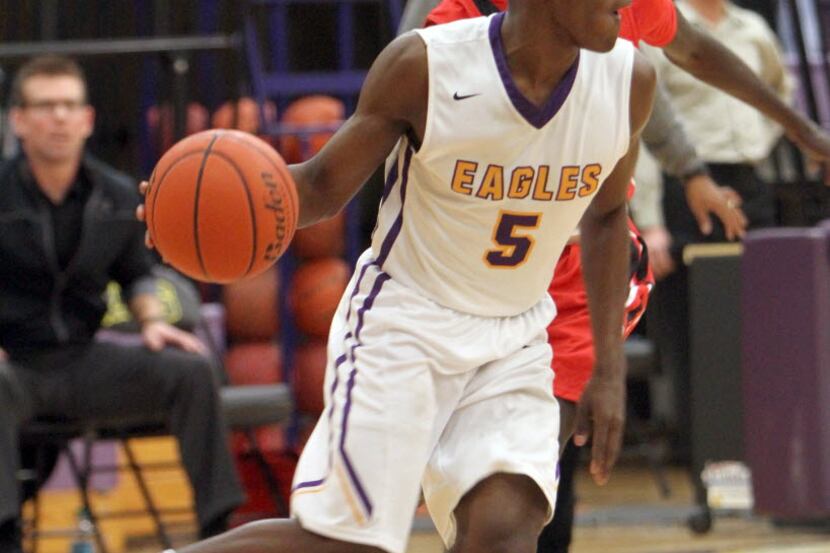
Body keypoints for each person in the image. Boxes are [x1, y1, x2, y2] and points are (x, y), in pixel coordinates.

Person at [142, 0, 658, 551]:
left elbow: (606, 215)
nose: (626, 3)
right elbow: (320, 186)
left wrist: (608, 367)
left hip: (515, 336)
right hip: (405, 325)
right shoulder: (427, 67)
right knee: (347, 544)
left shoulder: (629, 79)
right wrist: (207, 211)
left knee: (505, 531)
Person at [422, 0, 830, 551]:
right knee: (471, 498)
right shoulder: (448, 27)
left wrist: (798, 133)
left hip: (577, 272)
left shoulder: (624, 22)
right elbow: (392, 134)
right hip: (463, 276)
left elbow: (687, 58)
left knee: (522, 486)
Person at [0, 56, 244, 553]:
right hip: (15, 365)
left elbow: (136, 274)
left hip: (85, 361)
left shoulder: (113, 194)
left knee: (189, 370)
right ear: (18, 120)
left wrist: (152, 322)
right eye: (46, 106)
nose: (60, 118)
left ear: (88, 119)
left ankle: (219, 533)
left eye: (70, 105)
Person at [644, 0, 796, 462]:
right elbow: (642, 124)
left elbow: (778, 91)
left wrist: (758, 138)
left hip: (749, 183)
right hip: (685, 183)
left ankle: (763, 457)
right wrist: (650, 221)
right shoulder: (661, 20)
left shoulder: (751, 27)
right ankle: (706, 461)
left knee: (760, 325)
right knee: (696, 328)